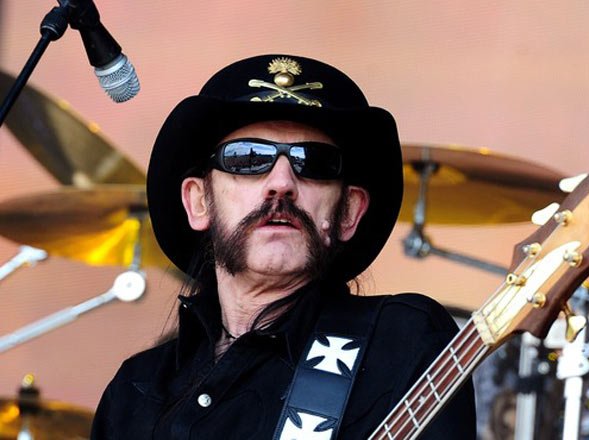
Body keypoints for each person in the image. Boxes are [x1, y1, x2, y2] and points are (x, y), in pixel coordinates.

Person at [91, 54, 476, 439]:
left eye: (314, 162)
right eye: (248, 158)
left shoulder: (402, 342)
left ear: (348, 212)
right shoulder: (134, 391)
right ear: (198, 202)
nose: (281, 183)